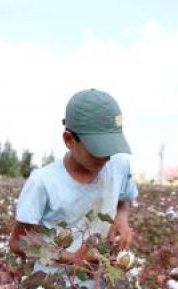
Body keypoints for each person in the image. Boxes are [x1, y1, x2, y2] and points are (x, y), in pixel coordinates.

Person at [11, 88, 137, 272]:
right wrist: (74, 258)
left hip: (100, 284)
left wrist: (121, 219)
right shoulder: (43, 181)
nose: (107, 157)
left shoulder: (120, 166)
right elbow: (18, 243)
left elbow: (123, 200)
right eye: (98, 149)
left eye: (111, 148)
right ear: (69, 139)